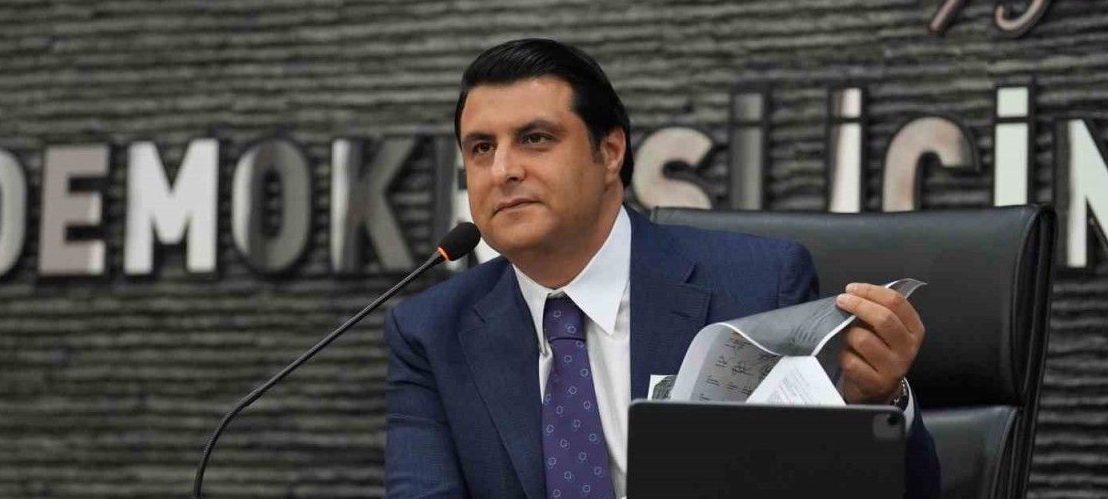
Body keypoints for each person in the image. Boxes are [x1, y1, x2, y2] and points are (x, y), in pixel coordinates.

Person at [384, 38, 940, 499]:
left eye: (535, 139)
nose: (503, 169)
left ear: (610, 152)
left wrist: (879, 402)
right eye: (481, 148)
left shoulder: (757, 285)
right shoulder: (431, 331)